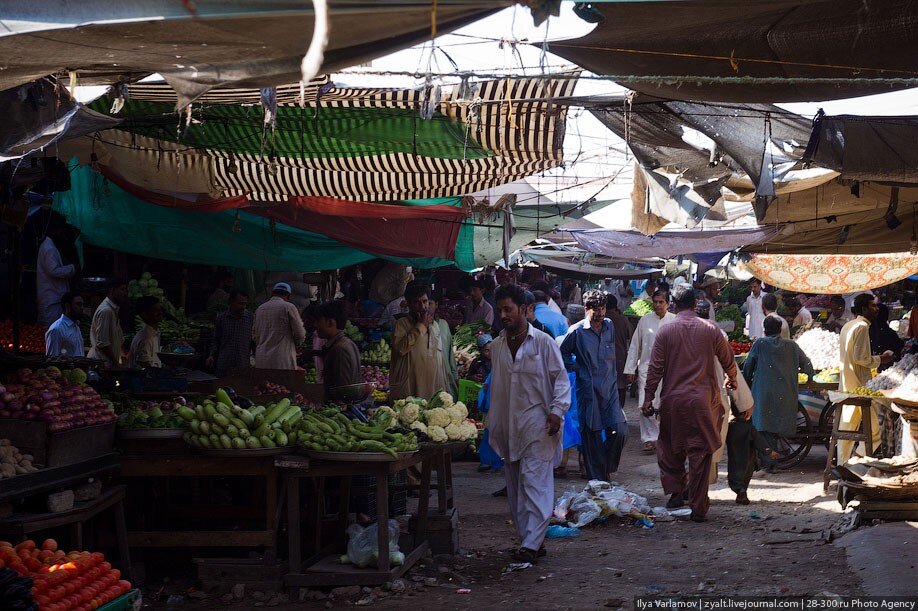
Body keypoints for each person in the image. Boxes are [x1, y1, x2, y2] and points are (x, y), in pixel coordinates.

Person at [487, 284, 570, 563]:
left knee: (534, 484)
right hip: (508, 427)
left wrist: (557, 411)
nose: (503, 315)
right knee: (515, 489)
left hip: (538, 426)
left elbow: (561, 379)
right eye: (500, 310)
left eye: (508, 309)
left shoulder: (544, 342)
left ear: (524, 310)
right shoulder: (497, 345)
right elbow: (497, 388)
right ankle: (530, 539)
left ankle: (532, 544)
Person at [642, 284, 737, 522]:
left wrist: (647, 398)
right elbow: (728, 360)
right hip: (703, 401)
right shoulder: (710, 329)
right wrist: (732, 379)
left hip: (673, 400)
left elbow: (655, 369)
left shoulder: (665, 332)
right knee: (700, 453)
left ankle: (676, 492)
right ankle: (698, 505)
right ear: (695, 304)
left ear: (673, 304)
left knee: (669, 448)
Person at [561, 290, 628, 481]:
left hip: (610, 389)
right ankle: (598, 478)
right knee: (592, 435)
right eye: (596, 310)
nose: (600, 313)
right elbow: (562, 355)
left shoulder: (609, 326)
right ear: (586, 309)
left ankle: (604, 467)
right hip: (589, 391)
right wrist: (578, 368)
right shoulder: (576, 331)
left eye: (603, 308)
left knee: (620, 431)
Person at [742, 316, 815, 471]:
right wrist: (810, 376)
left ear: (765, 330)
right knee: (774, 425)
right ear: (780, 330)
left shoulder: (760, 344)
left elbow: (748, 366)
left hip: (764, 393)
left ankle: (769, 463)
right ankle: (770, 461)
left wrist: (746, 383)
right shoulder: (792, 345)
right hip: (786, 393)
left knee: (763, 426)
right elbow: (807, 364)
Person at [838, 294, 895, 463]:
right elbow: (861, 358)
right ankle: (856, 459)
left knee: (846, 427)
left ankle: (843, 463)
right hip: (860, 387)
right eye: (873, 306)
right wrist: (881, 358)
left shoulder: (849, 325)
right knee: (876, 429)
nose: (877, 309)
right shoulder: (862, 327)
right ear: (864, 309)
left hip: (848, 384)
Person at [624, 290, 676, 453]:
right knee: (645, 403)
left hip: (669, 370)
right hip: (647, 368)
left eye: (661, 302)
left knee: (665, 404)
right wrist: (630, 368)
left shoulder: (674, 321)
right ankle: (649, 438)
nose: (658, 305)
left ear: (668, 303)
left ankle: (663, 437)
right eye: (655, 302)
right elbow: (635, 345)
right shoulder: (645, 321)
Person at [389, 283, 445, 400]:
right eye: (417, 302)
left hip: (432, 387)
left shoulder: (434, 325)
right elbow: (400, 349)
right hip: (409, 386)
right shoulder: (402, 324)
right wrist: (420, 326)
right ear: (409, 304)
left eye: (425, 302)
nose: (422, 306)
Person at [252, 282, 307, 370]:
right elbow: (300, 333)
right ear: (288, 296)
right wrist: (297, 345)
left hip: (262, 359)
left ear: (272, 293)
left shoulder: (260, 309)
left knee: (265, 383)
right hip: (282, 359)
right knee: (282, 384)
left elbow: (255, 336)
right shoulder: (289, 307)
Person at [36, 219, 77, 325]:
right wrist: (72, 268)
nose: (62, 234)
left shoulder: (49, 246)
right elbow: (53, 271)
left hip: (52, 297)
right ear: (54, 231)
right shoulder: (50, 248)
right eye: (61, 231)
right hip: (52, 298)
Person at [315, 300, 361, 393]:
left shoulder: (340, 349)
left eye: (318, 321)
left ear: (330, 323)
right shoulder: (346, 343)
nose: (315, 325)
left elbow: (342, 388)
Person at [206, 289, 254, 376]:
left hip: (242, 365)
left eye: (245, 304)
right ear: (231, 302)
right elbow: (216, 340)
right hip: (224, 365)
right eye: (240, 303)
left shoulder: (250, 318)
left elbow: (254, 341)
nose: (243, 307)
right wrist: (211, 355)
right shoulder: (221, 318)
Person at [88, 279, 128, 367]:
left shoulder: (113, 310)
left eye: (125, 290)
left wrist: (123, 359)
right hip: (102, 364)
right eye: (122, 289)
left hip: (108, 363)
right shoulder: (106, 311)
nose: (125, 293)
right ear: (113, 290)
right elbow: (102, 342)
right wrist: (115, 362)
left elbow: (119, 339)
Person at [605, 294, 634, 408]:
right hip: (620, 357)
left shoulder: (603, 319)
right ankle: (619, 412)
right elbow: (630, 335)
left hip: (606, 358)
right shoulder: (623, 319)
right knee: (620, 387)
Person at [430, 296, 459, 397]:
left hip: (447, 376)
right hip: (430, 379)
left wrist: (455, 375)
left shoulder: (443, 324)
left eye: (430, 303)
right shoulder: (420, 328)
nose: (426, 307)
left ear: (436, 304)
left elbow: (450, 353)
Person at [45, 291, 85, 357]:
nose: (82, 308)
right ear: (67, 306)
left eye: (82, 305)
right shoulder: (56, 329)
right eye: (78, 304)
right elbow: (51, 359)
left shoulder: (76, 326)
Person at [129, 296, 163, 368]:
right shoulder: (146, 338)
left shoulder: (154, 333)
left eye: (159, 309)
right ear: (144, 314)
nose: (160, 312)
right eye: (155, 310)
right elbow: (144, 365)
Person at [869, 303, 904, 371]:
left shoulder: (870, 328)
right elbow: (898, 346)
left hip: (876, 367)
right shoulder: (887, 332)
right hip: (889, 368)